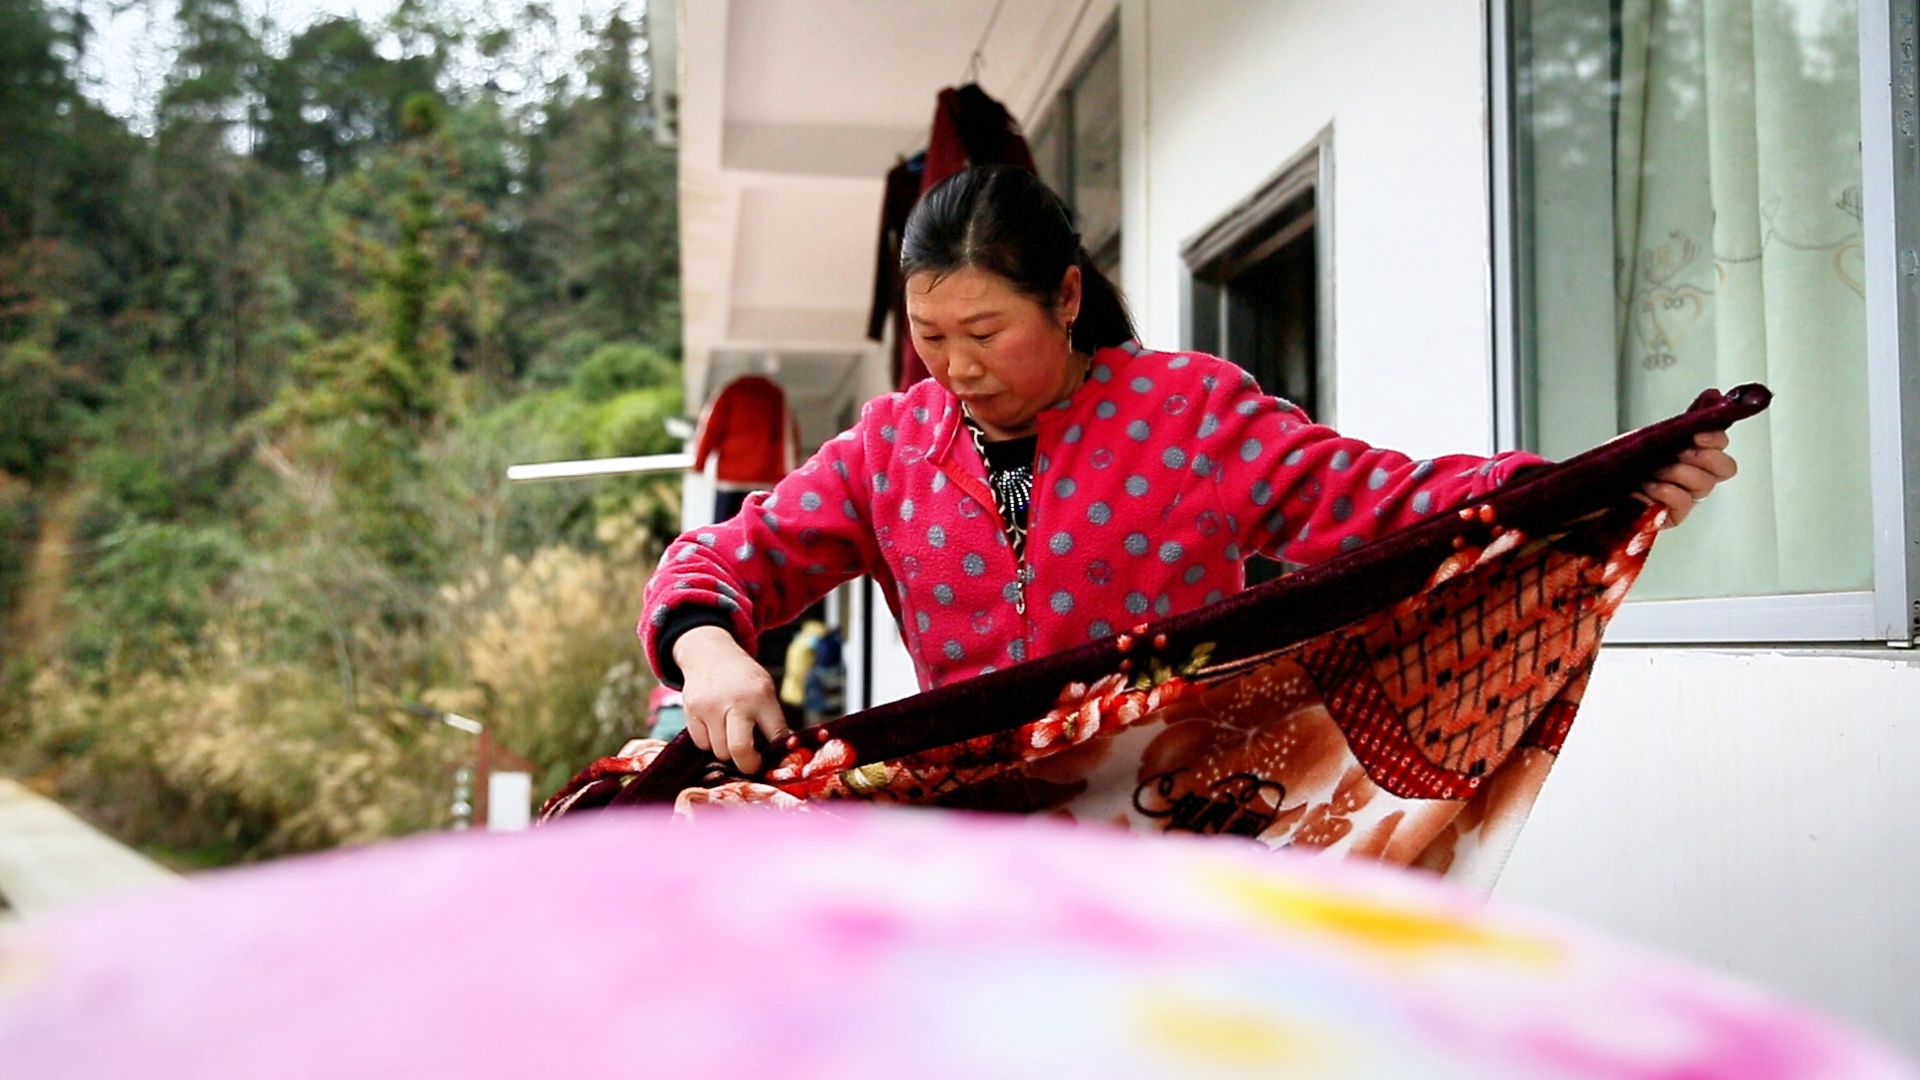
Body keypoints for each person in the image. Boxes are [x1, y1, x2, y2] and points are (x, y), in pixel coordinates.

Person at [645, 165, 1736, 774]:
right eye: (930, 337)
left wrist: (1600, 485)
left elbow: (1390, 503)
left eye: (985, 331)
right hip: (983, 851)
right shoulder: (891, 448)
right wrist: (709, 652)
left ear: (1066, 299)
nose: (956, 367)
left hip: (1184, 830)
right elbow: (721, 561)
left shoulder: (1187, 416)